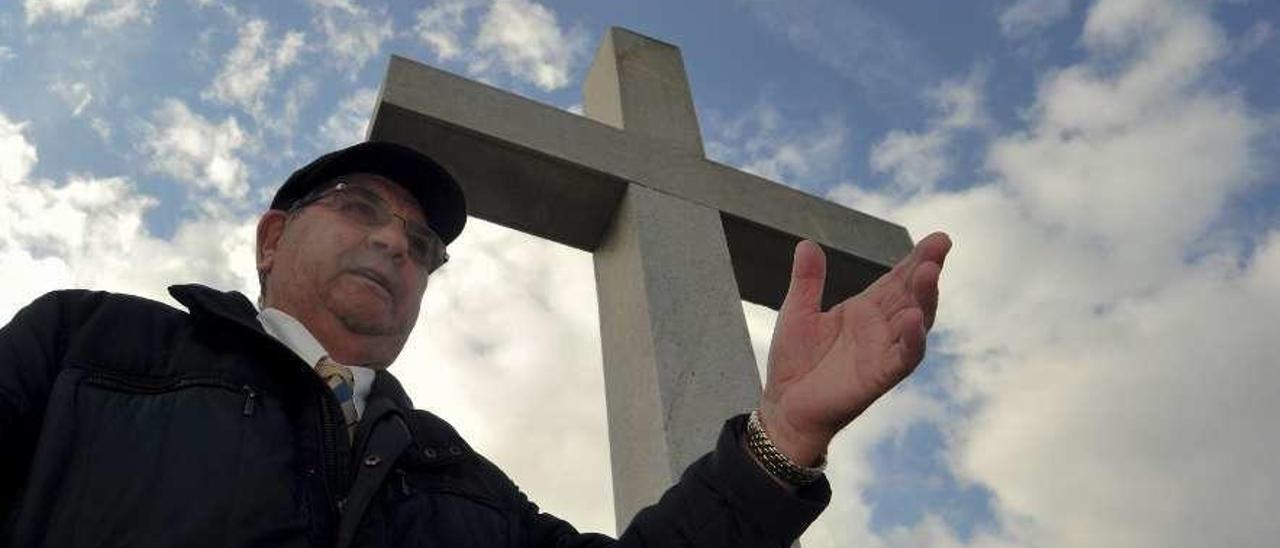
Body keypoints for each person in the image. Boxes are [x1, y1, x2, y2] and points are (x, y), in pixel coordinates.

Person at [0, 141, 951, 547]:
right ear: (273, 236)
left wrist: (781, 436)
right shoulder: (94, 341)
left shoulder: (459, 481)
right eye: (360, 210)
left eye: (420, 245)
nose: (392, 243)